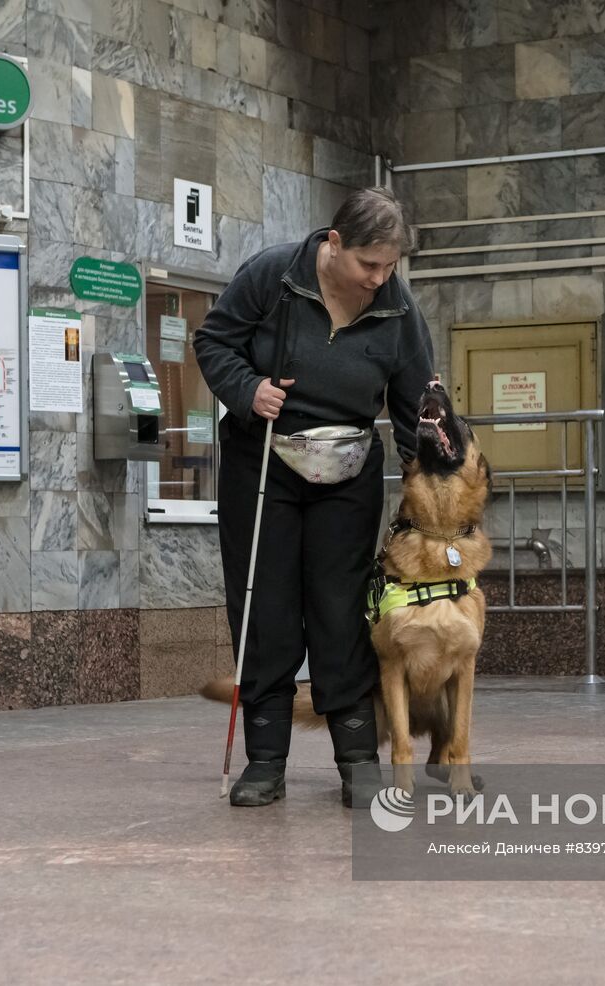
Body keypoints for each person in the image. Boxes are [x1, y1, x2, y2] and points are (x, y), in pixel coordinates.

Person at [193, 187, 433, 808]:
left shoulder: (397, 307)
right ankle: (265, 761)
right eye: (367, 265)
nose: (379, 279)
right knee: (265, 608)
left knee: (342, 607)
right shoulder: (272, 276)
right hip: (264, 461)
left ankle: (357, 758)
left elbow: (413, 400)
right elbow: (213, 341)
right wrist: (247, 391)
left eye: (390, 266)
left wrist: (423, 482)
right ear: (333, 243)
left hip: (349, 472)